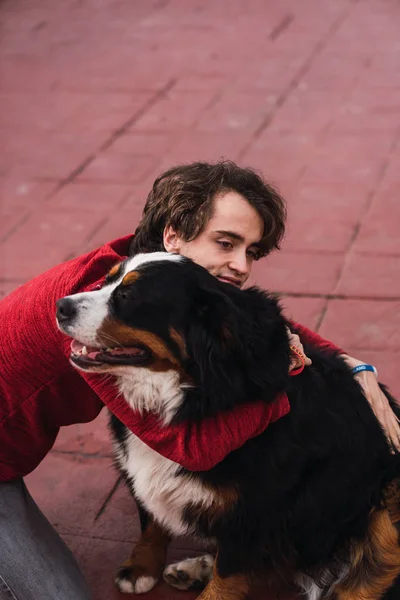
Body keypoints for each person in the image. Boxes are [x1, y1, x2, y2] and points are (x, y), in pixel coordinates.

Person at [0, 161, 398, 600]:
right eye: (226, 243)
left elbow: (265, 325)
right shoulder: (89, 321)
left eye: (251, 250)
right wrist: (288, 384)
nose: (240, 265)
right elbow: (195, 450)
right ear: (173, 235)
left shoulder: (147, 270)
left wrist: (354, 367)